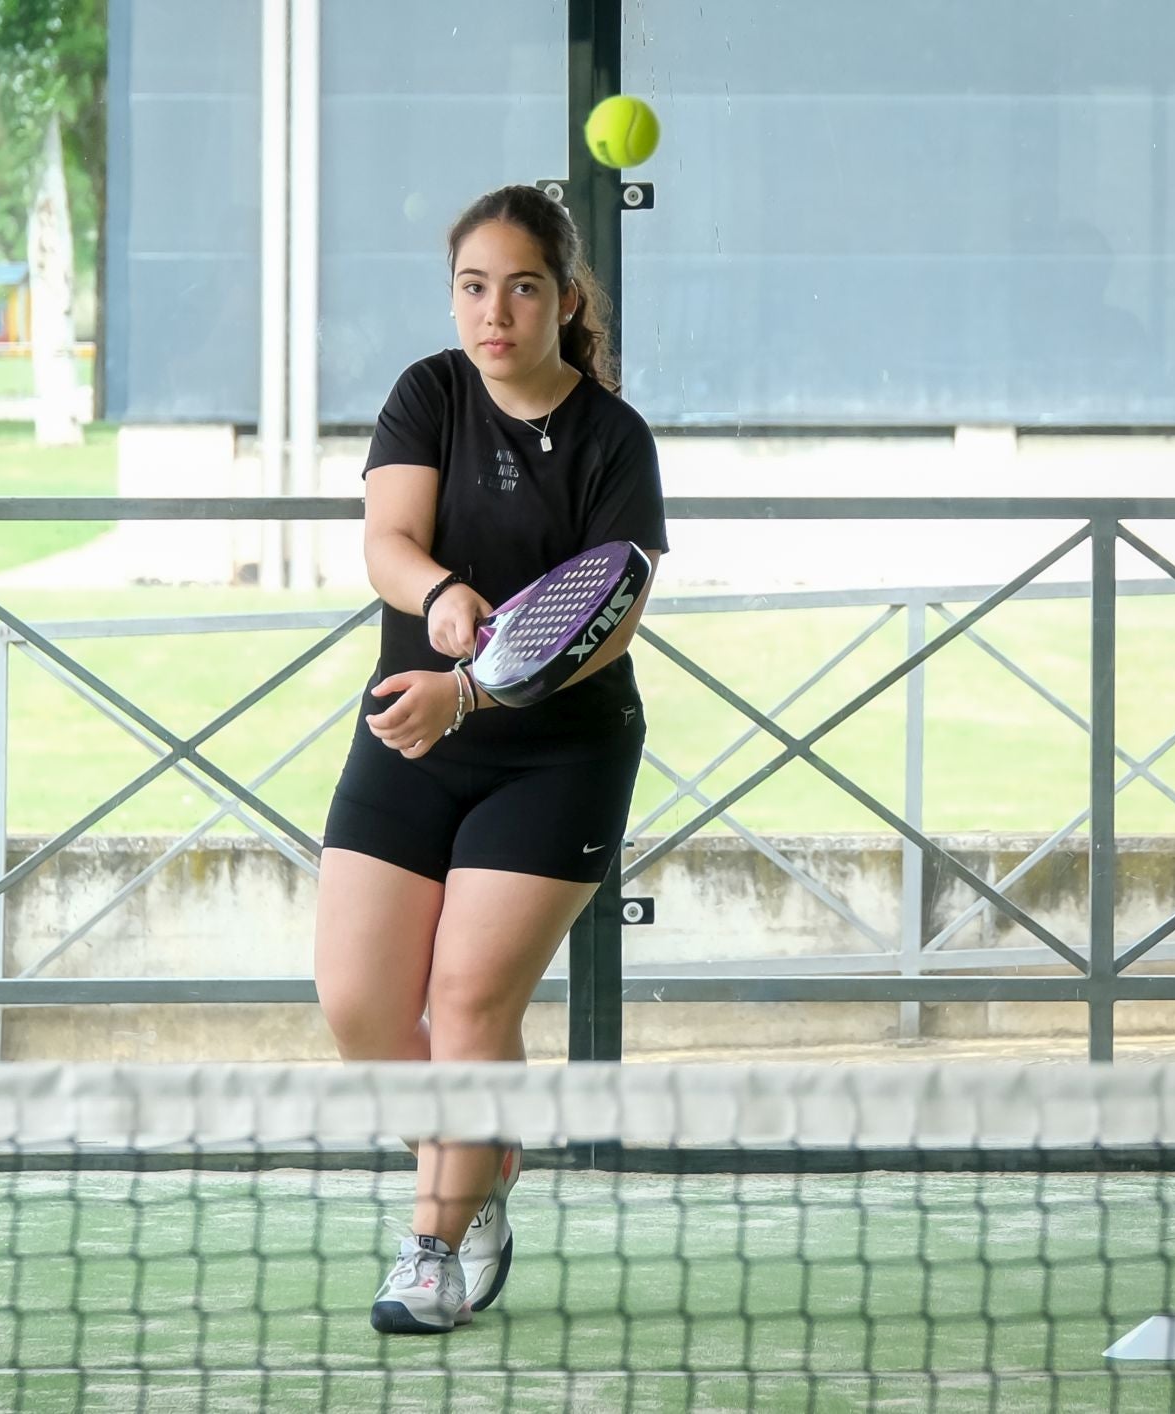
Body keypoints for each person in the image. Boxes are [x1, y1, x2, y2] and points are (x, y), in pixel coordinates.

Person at [314, 184, 668, 1335]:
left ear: (565, 300)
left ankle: (434, 1243)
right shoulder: (430, 392)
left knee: (468, 1001)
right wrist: (442, 595)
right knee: (361, 1005)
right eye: (474, 287)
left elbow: (605, 620)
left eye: (522, 287)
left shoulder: (615, 439)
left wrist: (474, 685)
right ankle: (482, 1145)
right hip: (411, 727)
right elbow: (387, 542)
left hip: (557, 755)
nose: (495, 312)